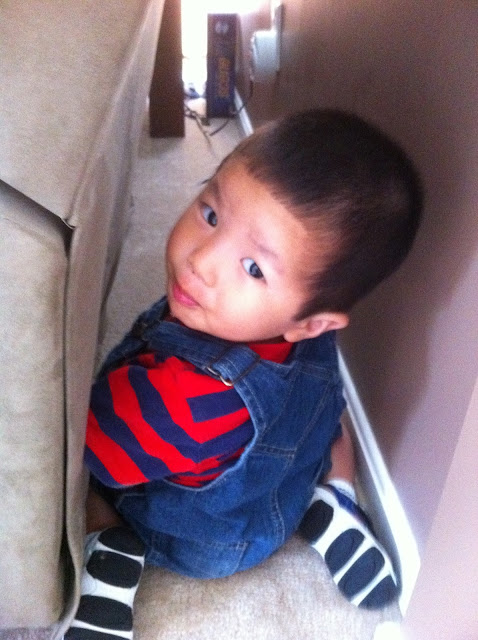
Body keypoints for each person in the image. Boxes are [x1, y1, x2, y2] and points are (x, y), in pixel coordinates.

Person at [65, 109, 423, 640]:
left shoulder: (183, 400)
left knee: (79, 481)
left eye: (253, 268)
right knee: (329, 423)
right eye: (211, 214)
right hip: (286, 483)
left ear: (312, 321)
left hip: (201, 542)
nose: (201, 261)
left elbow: (86, 447)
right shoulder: (305, 331)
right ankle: (336, 496)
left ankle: (108, 553)